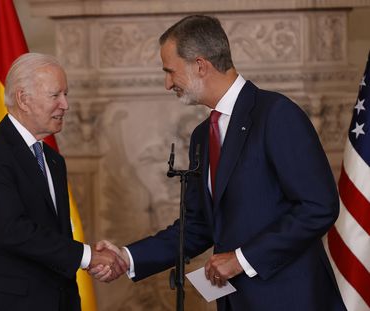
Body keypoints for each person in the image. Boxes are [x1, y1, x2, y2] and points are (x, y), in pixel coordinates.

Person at [90, 15, 347, 311]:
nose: (167, 83)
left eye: (170, 71)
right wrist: (127, 256)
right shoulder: (203, 135)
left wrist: (240, 260)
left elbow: (318, 206)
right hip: (235, 302)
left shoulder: (276, 114)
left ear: (200, 65)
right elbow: (198, 225)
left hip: (291, 299)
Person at [0, 53, 126, 311]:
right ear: (24, 99)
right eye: (55, 95)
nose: (65, 105)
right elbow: (12, 230)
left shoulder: (53, 160)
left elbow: (54, 235)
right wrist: (88, 256)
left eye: (65, 94)